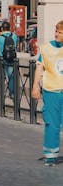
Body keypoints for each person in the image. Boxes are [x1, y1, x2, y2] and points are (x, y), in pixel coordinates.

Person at [32, 21, 63, 166]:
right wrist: (35, 86)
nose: (57, 34)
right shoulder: (46, 48)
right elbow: (39, 68)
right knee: (52, 124)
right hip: (52, 91)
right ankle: (50, 155)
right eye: (56, 31)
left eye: (60, 32)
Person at [0, 22, 18, 94]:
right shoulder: (14, 36)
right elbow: (16, 44)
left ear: (2, 28)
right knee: (11, 76)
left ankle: (1, 92)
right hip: (12, 58)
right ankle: (12, 93)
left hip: (2, 58)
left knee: (2, 75)